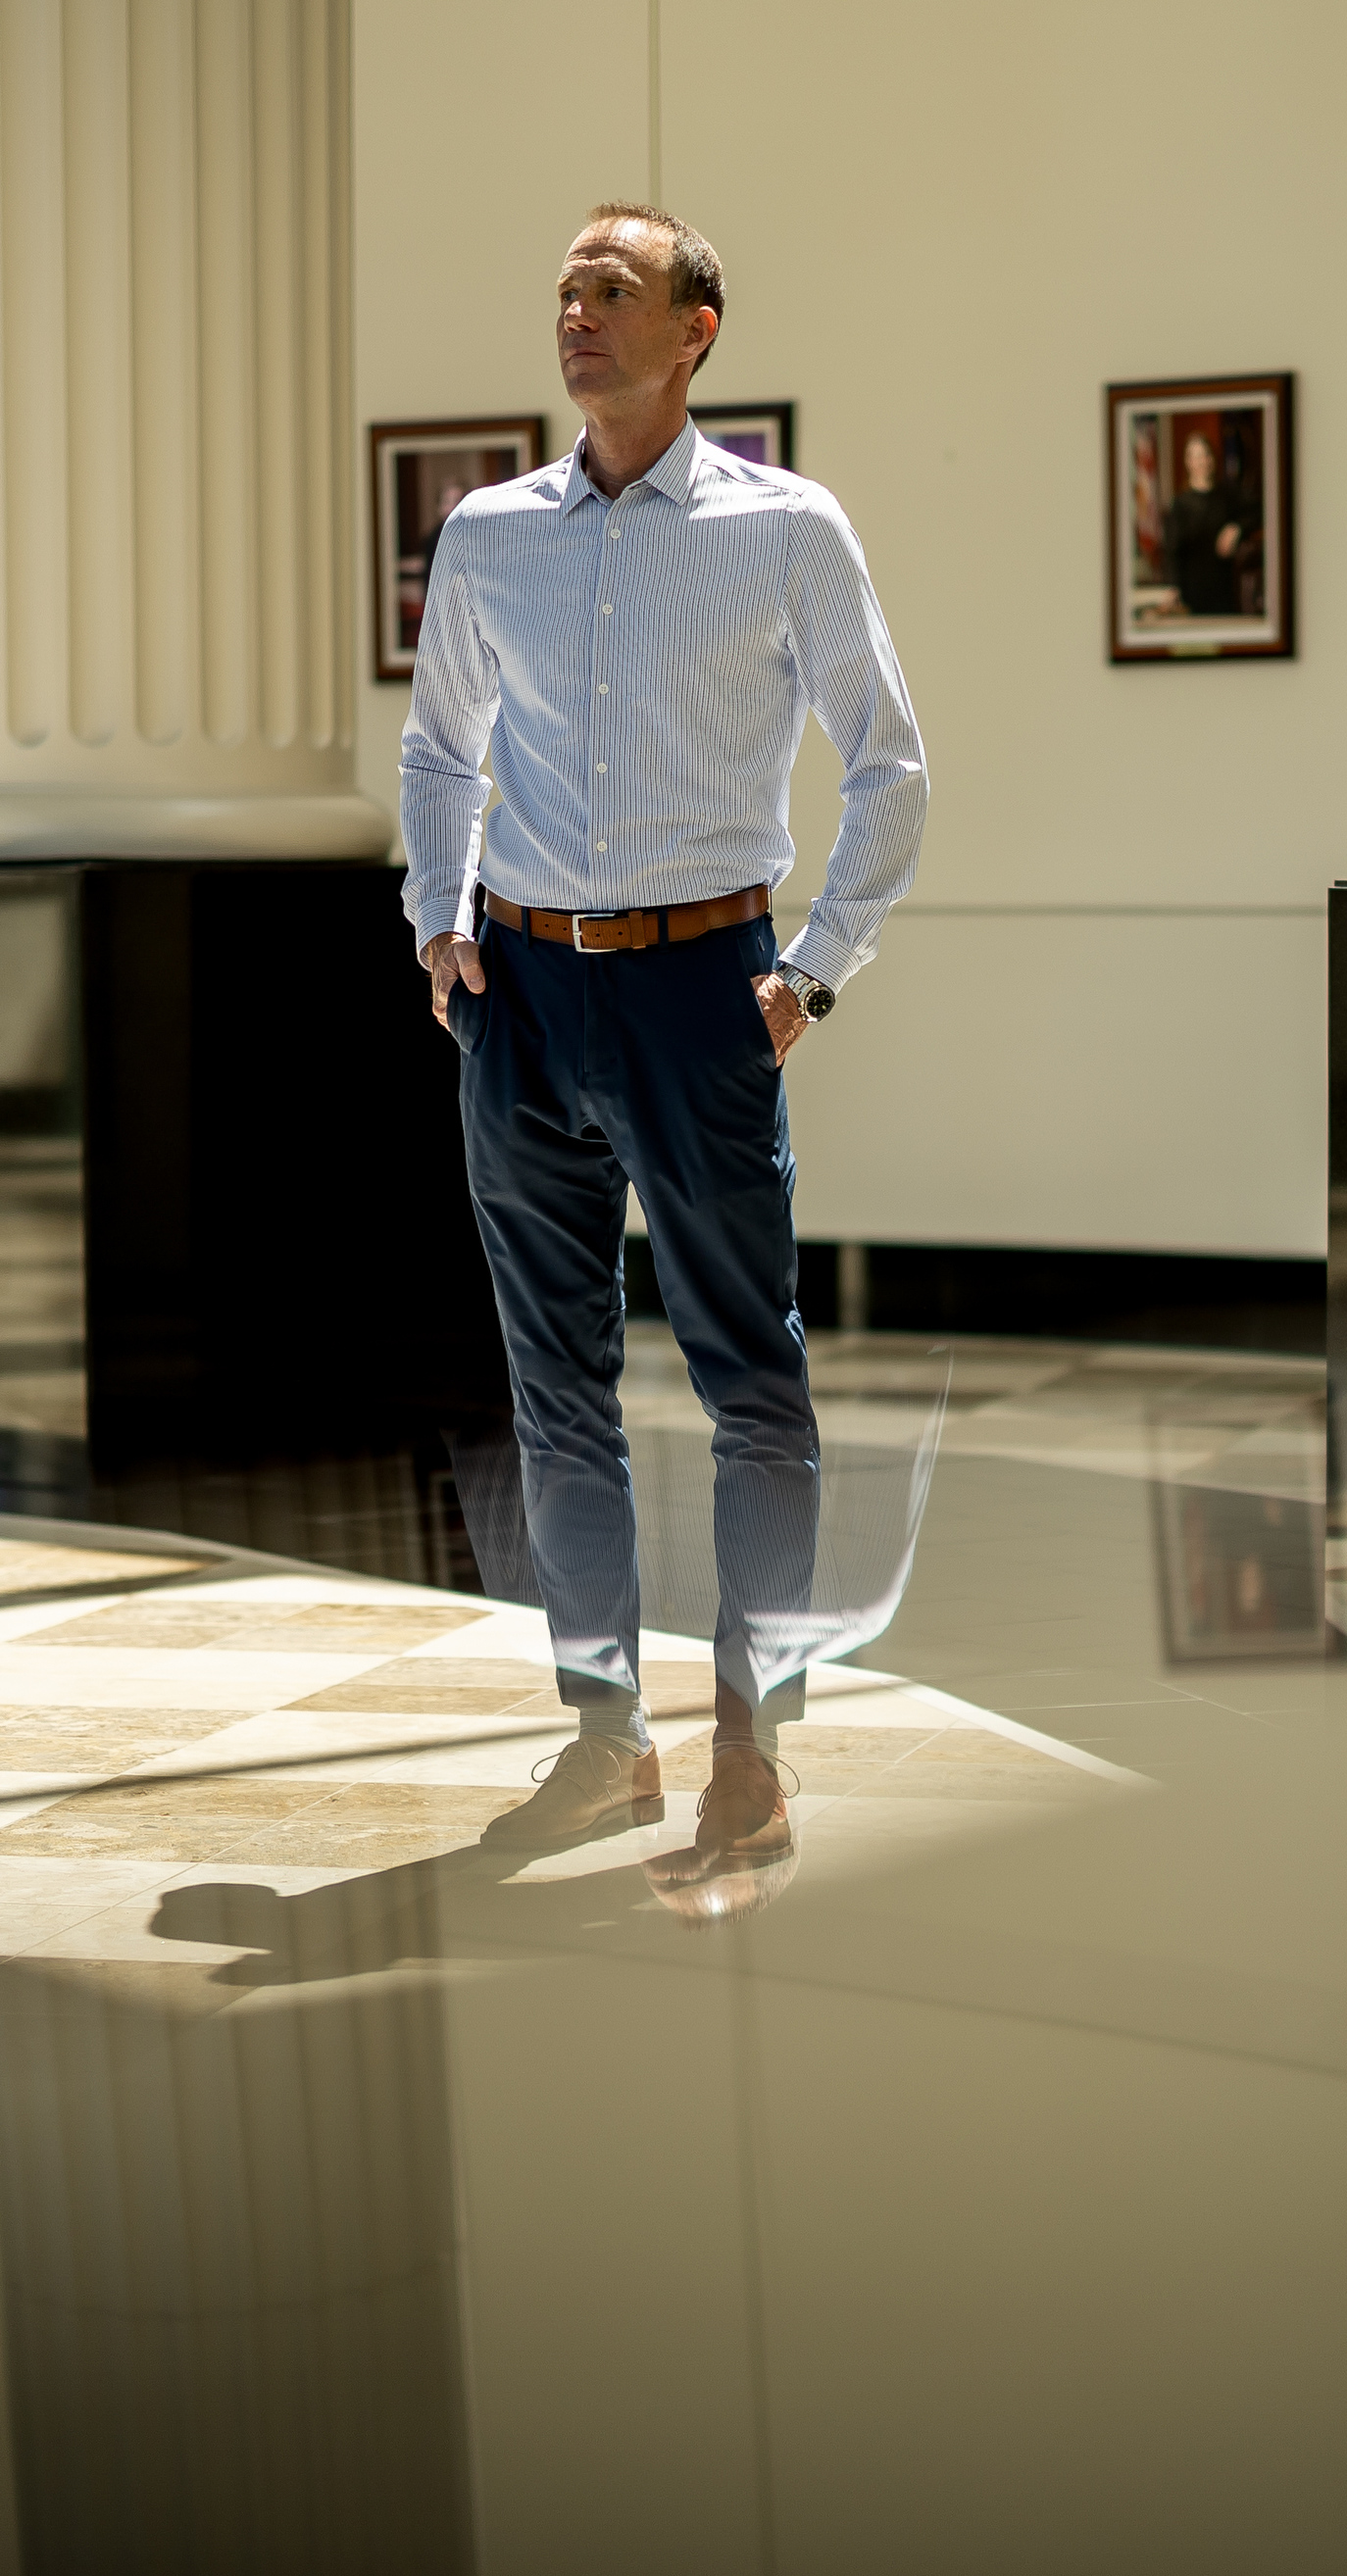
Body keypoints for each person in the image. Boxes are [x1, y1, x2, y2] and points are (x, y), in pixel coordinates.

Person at [399, 203, 927, 1880]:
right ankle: (602, 1738)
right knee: (555, 1390)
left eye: (611, 290)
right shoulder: (489, 534)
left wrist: (814, 972)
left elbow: (891, 768)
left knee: (747, 1380)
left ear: (697, 328)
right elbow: (438, 750)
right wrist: (438, 918)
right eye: (564, 291)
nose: (576, 314)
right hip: (521, 1001)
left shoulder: (786, 530)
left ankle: (750, 1743)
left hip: (706, 991)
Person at [1161, 430, 1250, 618]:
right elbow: (1172, 552)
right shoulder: (1180, 505)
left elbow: (1260, 512)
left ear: (1212, 458)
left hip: (1226, 593)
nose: (1202, 461)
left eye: (1205, 454)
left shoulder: (1228, 495)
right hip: (1192, 597)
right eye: (1196, 457)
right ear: (1188, 462)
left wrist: (1237, 528)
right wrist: (1172, 588)